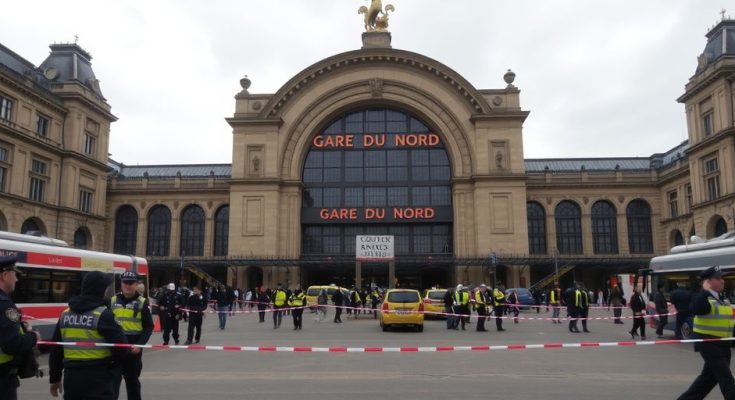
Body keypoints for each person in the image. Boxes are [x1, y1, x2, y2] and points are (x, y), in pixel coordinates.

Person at [49, 271, 128, 399]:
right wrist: (113, 367)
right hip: (99, 376)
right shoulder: (103, 314)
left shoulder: (65, 314)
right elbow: (122, 347)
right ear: (100, 290)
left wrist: (55, 378)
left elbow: (56, 350)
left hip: (71, 378)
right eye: (107, 288)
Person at [677, 266, 735, 399]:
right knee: (727, 379)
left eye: (722, 278)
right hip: (709, 344)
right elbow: (695, 308)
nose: (723, 281)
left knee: (707, 380)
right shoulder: (702, 297)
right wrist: (705, 290)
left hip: (723, 345)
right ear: (708, 281)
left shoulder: (721, 299)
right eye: (718, 278)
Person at [0, 256, 40, 400]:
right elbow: (12, 344)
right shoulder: (5, 304)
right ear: (5, 275)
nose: (17, 279)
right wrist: (33, 336)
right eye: (15, 274)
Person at [110, 271, 153, 400]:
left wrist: (139, 345)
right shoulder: (111, 301)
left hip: (133, 351)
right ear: (121, 284)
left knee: (132, 383)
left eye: (131, 283)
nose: (128, 286)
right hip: (116, 350)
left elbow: (148, 327)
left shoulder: (142, 303)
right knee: (112, 385)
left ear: (136, 284)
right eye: (125, 283)